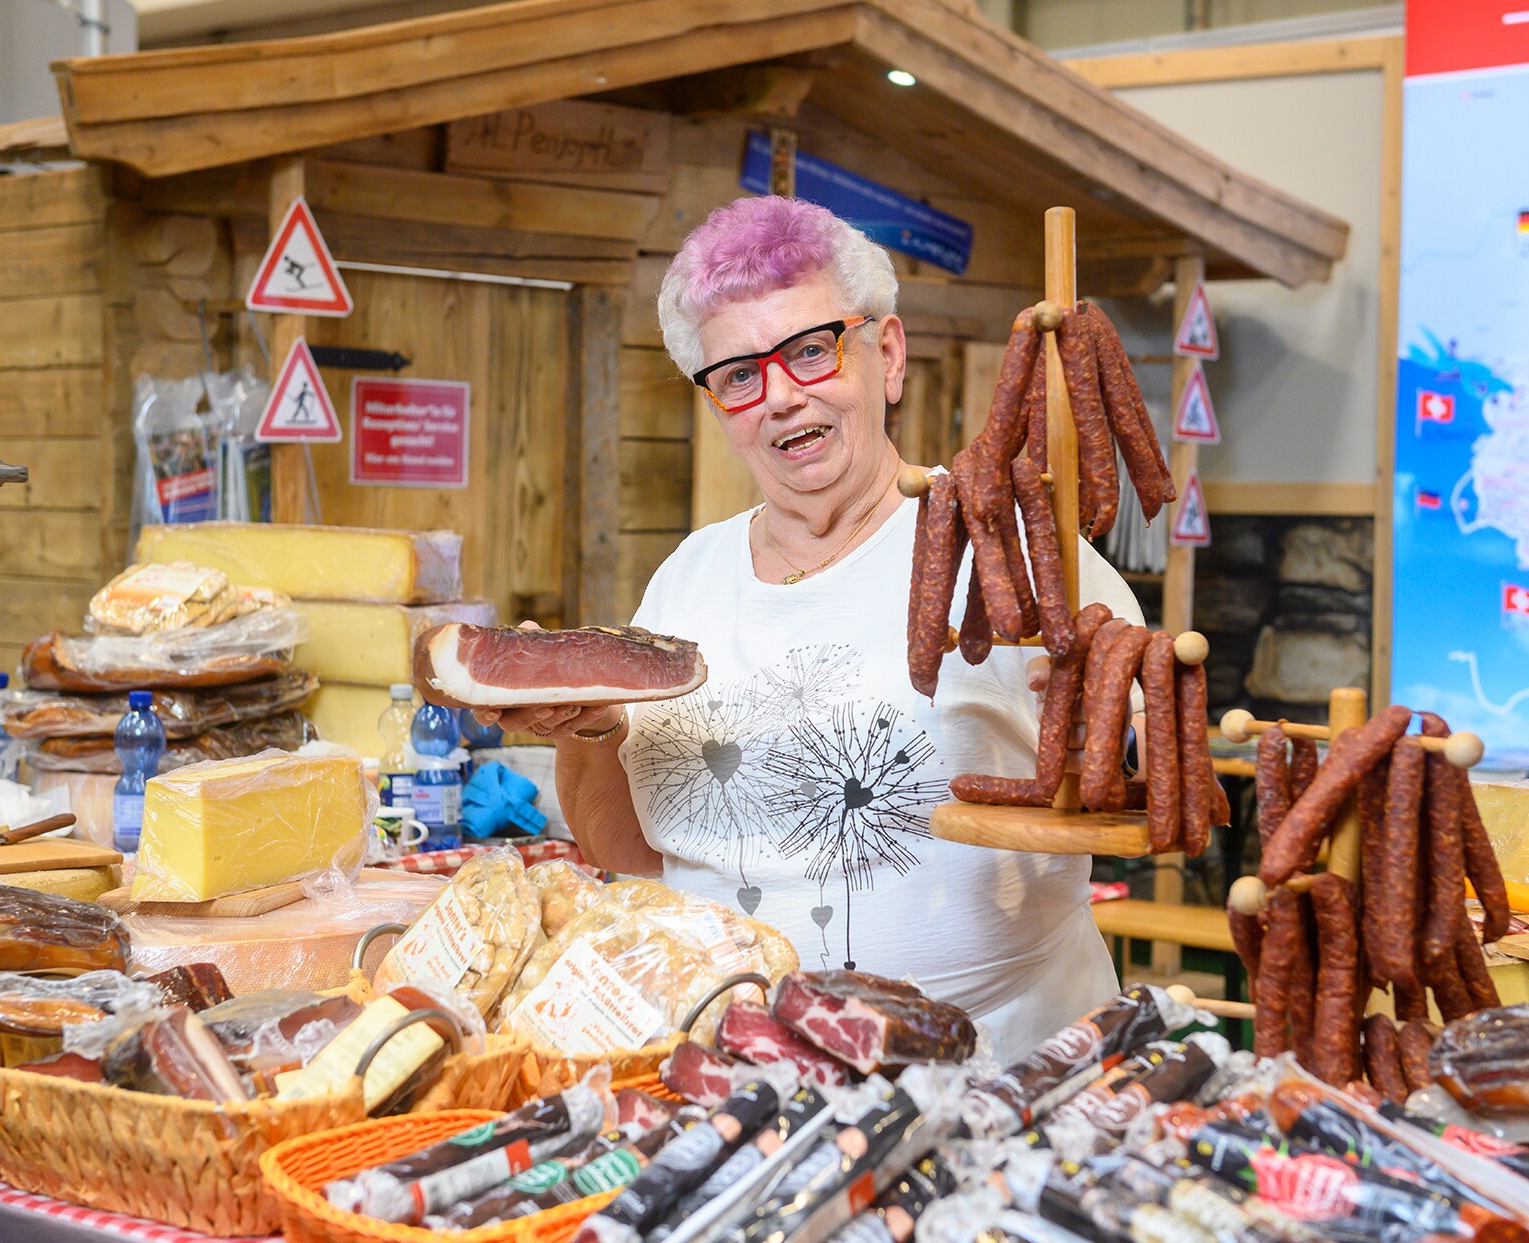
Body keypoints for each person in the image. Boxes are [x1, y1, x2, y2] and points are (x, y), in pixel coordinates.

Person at [475, 196, 1143, 1059]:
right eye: (740, 375)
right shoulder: (686, 581)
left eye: (809, 350)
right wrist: (588, 727)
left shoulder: (1015, 549)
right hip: (746, 1085)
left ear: (887, 353)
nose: (782, 397)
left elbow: (1139, 775)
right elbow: (631, 851)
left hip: (1002, 1081)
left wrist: (1110, 730)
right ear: (717, 404)